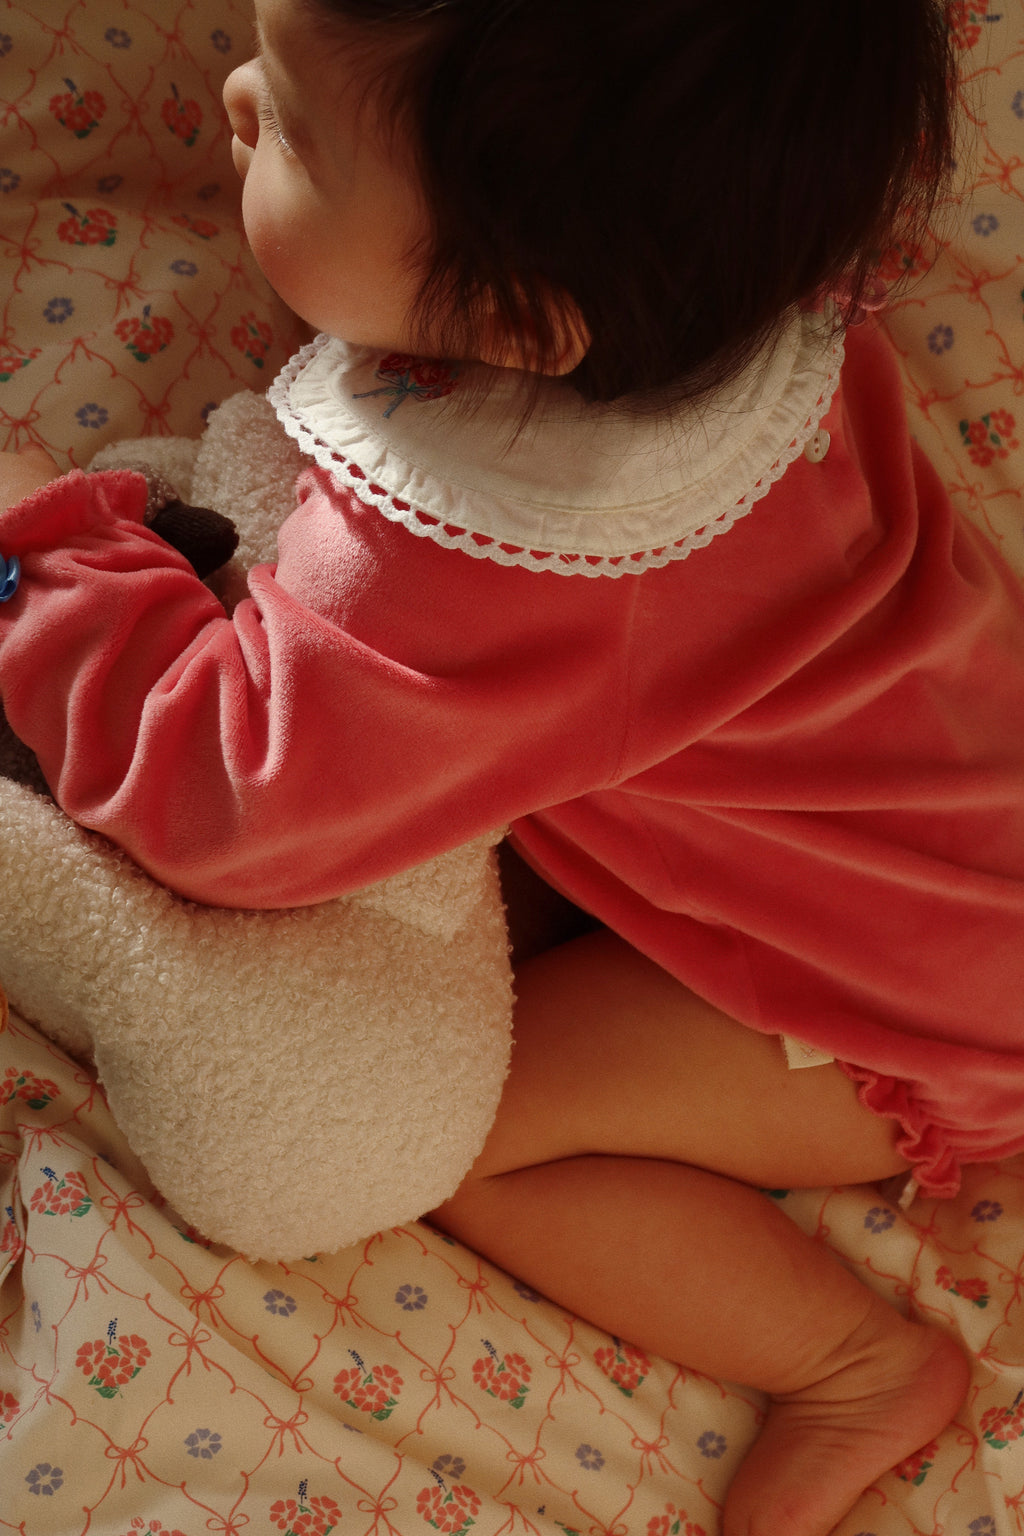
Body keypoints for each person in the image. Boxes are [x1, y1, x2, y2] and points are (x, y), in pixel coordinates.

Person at [2, 1, 1019, 1530]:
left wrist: (45, 558)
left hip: (904, 1010)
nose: (231, 98)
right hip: (953, 829)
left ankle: (851, 1364)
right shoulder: (745, 276)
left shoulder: (505, 549)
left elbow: (230, 796)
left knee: (469, 1141)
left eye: (296, 131)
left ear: (527, 327)